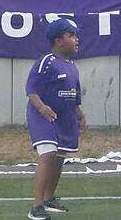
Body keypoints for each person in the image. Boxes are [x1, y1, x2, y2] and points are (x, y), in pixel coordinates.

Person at [25, 18, 86, 220]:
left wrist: (79, 115)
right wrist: (42, 108)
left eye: (76, 36)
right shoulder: (46, 61)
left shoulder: (72, 67)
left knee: (60, 157)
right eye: (71, 36)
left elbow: (74, 95)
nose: (76, 40)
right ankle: (37, 207)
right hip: (42, 115)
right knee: (48, 153)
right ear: (58, 40)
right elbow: (31, 90)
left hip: (64, 117)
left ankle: (49, 198)